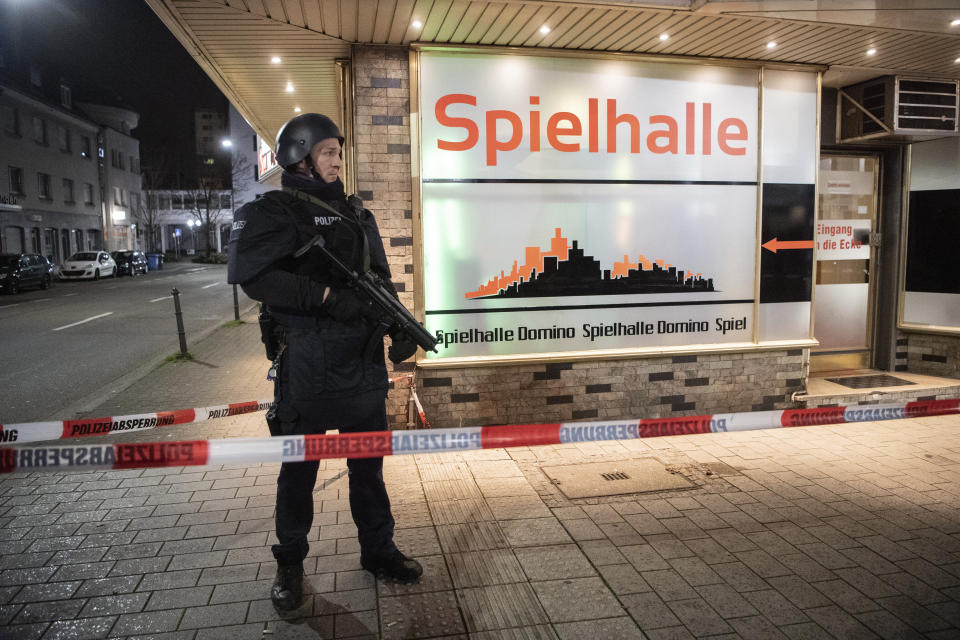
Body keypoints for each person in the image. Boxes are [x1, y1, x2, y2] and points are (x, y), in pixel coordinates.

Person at [227, 113, 422, 611]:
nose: (337, 160)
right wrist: (326, 295)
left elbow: (378, 277)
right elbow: (253, 278)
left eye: (339, 151)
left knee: (369, 470)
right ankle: (289, 565)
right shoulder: (276, 210)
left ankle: (378, 551)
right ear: (300, 155)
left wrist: (397, 324)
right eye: (327, 151)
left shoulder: (357, 213)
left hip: (360, 365)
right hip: (308, 365)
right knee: (299, 473)